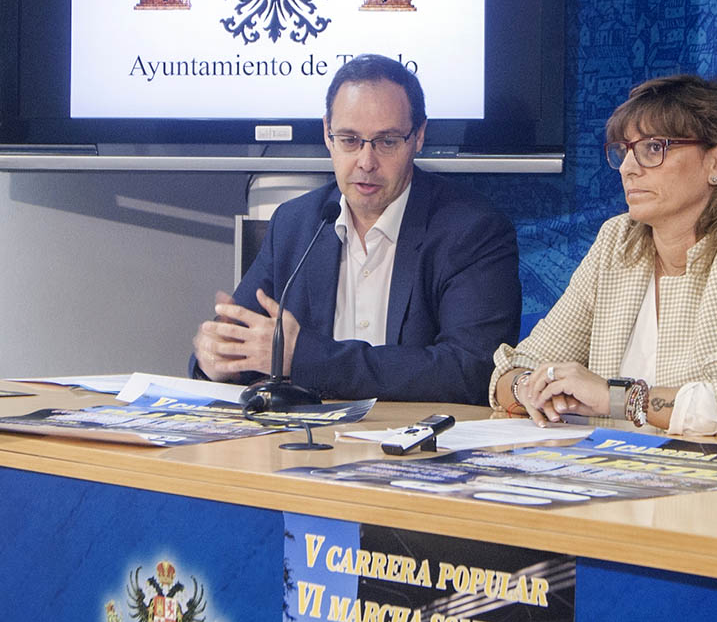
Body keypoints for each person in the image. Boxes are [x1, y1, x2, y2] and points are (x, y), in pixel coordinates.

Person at [490, 74, 717, 437]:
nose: (629, 168)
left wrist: (618, 399)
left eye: (654, 148)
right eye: (624, 151)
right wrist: (531, 390)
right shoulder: (617, 241)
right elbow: (516, 369)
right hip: (618, 480)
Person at [191, 54, 520, 404]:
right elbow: (242, 344)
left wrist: (307, 359)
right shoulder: (296, 225)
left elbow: (472, 369)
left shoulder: (472, 231)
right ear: (326, 134)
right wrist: (216, 361)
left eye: (387, 142)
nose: (366, 162)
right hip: (306, 442)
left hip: (417, 447)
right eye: (349, 140)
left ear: (419, 136)